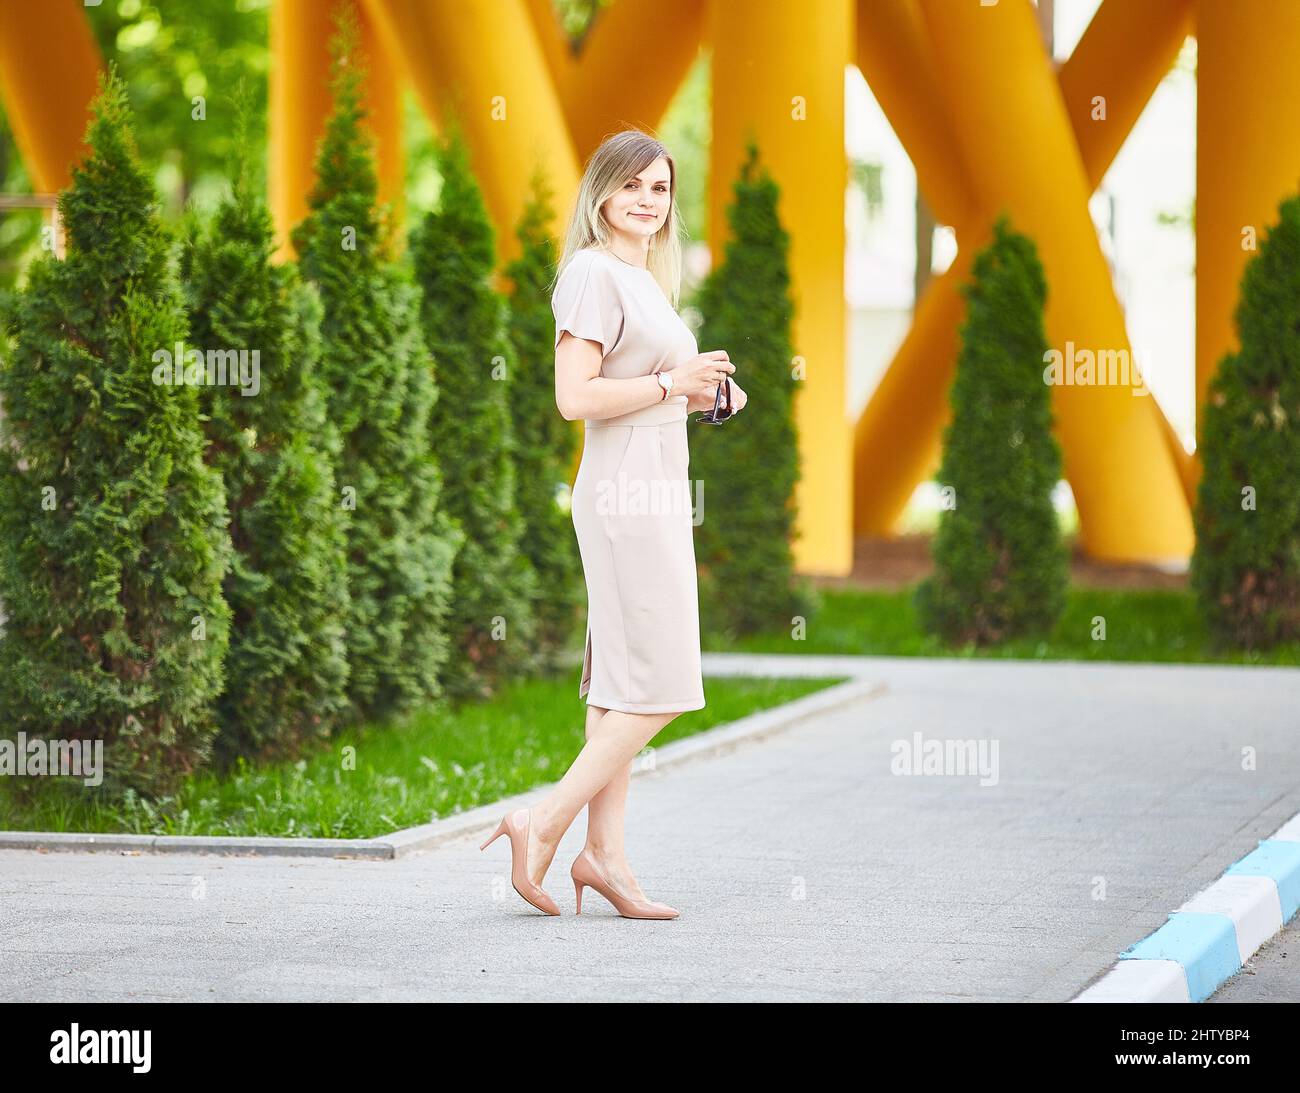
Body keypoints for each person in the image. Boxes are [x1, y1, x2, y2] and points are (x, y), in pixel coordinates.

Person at [479, 129, 748, 919]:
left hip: (656, 486)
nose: (647, 200)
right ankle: (545, 820)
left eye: (660, 189)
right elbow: (577, 397)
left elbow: (650, 386)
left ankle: (606, 857)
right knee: (664, 683)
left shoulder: (643, 280)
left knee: (624, 682)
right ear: (601, 193)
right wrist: (674, 379)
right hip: (625, 495)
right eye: (632, 185)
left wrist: (702, 392)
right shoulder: (593, 272)